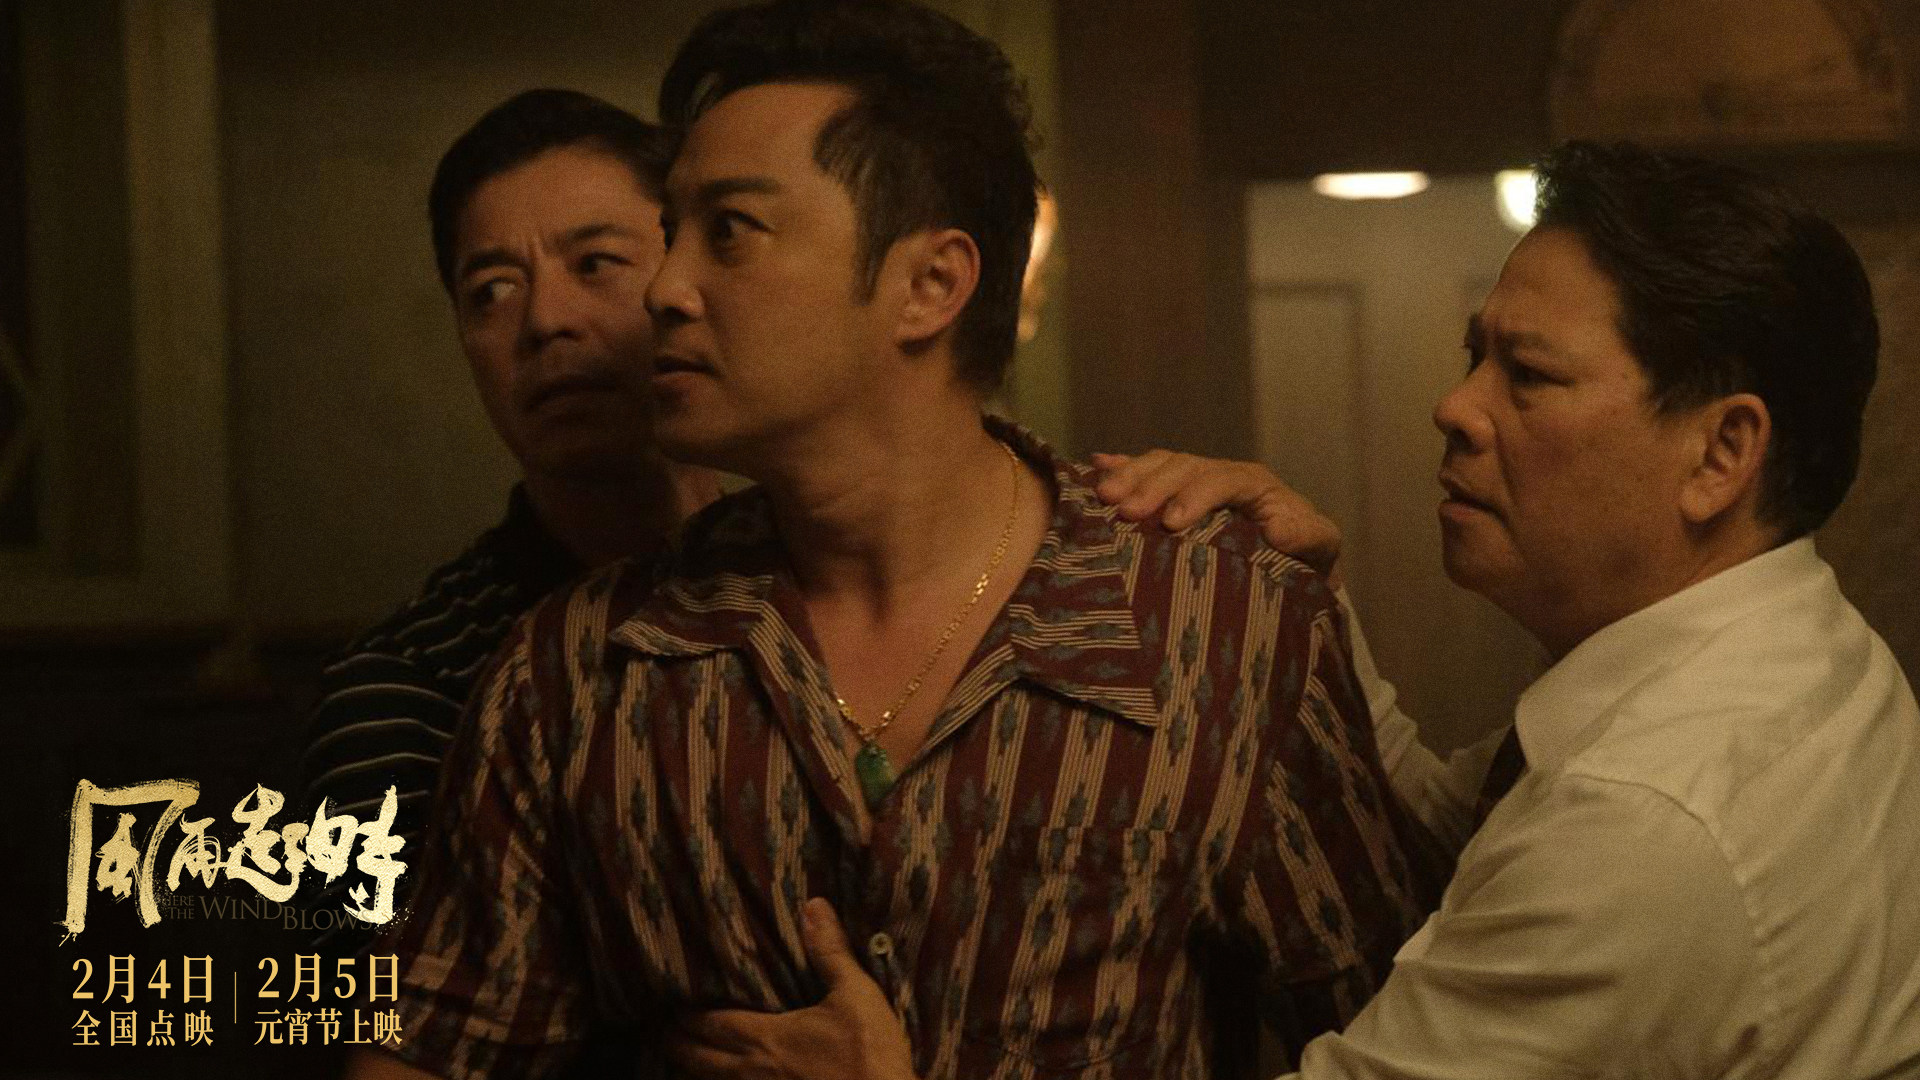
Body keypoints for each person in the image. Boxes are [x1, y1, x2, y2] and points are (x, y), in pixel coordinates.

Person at [346, 2, 1436, 1078]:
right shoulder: (579, 670)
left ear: (930, 284)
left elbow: (1415, 1046)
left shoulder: (1219, 627)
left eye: (730, 231)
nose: (665, 290)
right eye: (672, 234)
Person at [695, 140, 1920, 1079]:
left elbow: (1581, 859)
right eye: (1475, 355)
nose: (1457, 406)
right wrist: (1315, 625)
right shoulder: (1792, 660)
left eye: (1529, 375)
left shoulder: (1653, 819)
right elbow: (1470, 839)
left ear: (1721, 453)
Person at [297, 88, 721, 954]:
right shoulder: (415, 687)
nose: (545, 321)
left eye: (597, 263)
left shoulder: (818, 579)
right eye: (491, 291)